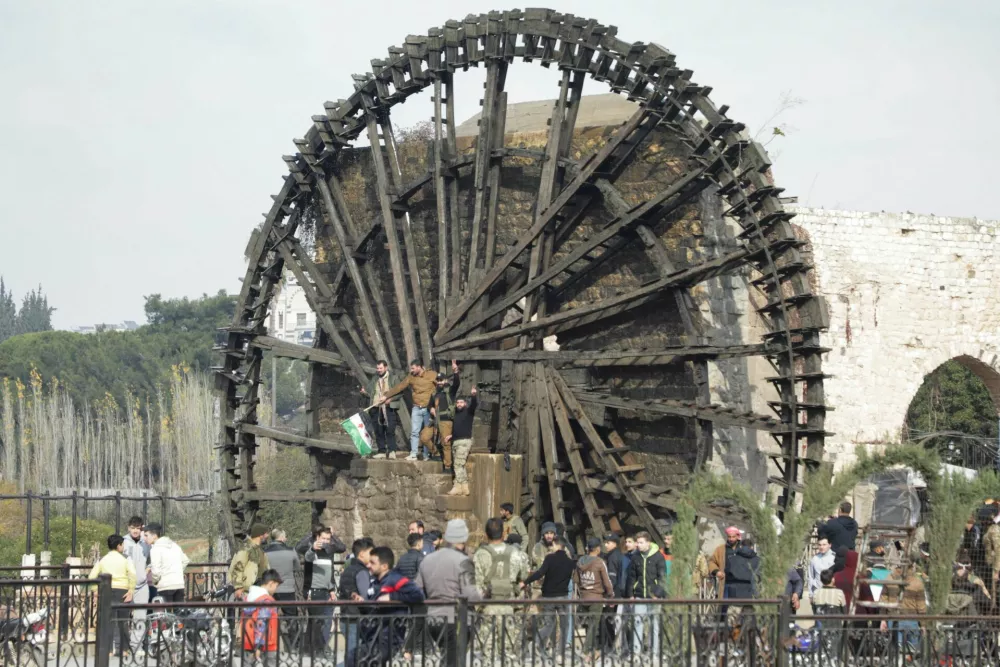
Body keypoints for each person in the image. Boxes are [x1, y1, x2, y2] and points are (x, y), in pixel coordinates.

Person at [416, 519, 482, 665]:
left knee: (447, 657)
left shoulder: (427, 560)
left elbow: (417, 588)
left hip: (433, 618)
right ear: (463, 538)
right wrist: (484, 594)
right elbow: (471, 595)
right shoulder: (463, 560)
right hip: (455, 618)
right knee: (455, 660)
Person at [473, 518, 530, 660]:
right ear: (504, 533)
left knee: (487, 655)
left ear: (486, 534)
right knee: (509, 653)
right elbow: (523, 575)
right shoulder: (517, 553)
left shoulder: (480, 554)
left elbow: (477, 583)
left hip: (488, 607)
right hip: (508, 606)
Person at [364, 546, 425, 665]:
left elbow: (418, 594)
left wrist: (392, 597)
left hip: (389, 635)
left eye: (372, 562)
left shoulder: (395, 579)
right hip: (374, 632)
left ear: (384, 566)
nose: (368, 565)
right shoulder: (375, 582)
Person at [522, 537, 576, 658]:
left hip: (548, 597)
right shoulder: (570, 562)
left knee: (549, 624)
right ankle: (560, 653)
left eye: (552, 545)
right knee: (564, 625)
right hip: (562, 597)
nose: (551, 547)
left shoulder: (550, 558)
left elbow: (540, 573)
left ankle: (536, 644)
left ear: (557, 545)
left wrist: (526, 582)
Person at [379, 359, 443, 461]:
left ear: (419, 367)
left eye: (413, 368)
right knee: (414, 432)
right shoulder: (411, 376)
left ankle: (426, 455)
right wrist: (386, 396)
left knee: (426, 434)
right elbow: (400, 387)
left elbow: (442, 385)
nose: (411, 370)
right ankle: (413, 453)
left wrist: (438, 405)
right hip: (416, 408)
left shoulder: (432, 374)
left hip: (428, 409)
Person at [90, 535, 137, 658]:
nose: (123, 547)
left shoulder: (103, 560)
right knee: (123, 621)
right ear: (119, 546)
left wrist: (95, 590)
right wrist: (131, 590)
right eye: (122, 544)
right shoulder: (125, 559)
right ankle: (124, 649)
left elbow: (91, 576)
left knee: (108, 621)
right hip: (123, 592)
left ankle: (108, 650)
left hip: (107, 591)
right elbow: (132, 574)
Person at [625, 531, 666, 657]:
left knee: (654, 625)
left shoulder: (658, 556)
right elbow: (631, 577)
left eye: (641, 542)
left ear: (648, 543)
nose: (638, 545)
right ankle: (636, 651)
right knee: (637, 623)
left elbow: (662, 577)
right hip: (639, 595)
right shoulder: (635, 557)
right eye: (637, 542)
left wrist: (657, 594)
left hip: (653, 596)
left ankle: (654, 652)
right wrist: (630, 594)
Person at [575, 537, 613, 662]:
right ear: (597, 548)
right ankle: (586, 652)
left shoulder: (580, 561)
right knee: (593, 625)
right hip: (596, 597)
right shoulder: (599, 562)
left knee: (589, 625)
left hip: (584, 597)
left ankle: (593, 650)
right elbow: (607, 582)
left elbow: (576, 579)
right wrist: (610, 595)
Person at [338, 538, 374, 667]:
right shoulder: (361, 571)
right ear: (362, 553)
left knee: (353, 655)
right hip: (356, 618)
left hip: (346, 616)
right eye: (371, 552)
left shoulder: (348, 569)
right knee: (354, 658)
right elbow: (366, 597)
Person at [263, 529, 302, 649]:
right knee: (291, 617)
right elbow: (297, 567)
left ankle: (266, 643)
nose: (286, 538)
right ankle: (293, 645)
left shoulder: (265, 552)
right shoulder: (291, 551)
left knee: (266, 616)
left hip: (270, 589)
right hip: (287, 589)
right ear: (281, 538)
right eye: (285, 536)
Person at [304, 526, 337, 654]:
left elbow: (328, 574)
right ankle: (316, 649)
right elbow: (307, 556)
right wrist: (313, 547)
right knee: (316, 621)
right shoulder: (314, 551)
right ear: (317, 537)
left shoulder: (328, 553)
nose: (325, 541)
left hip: (324, 591)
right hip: (315, 590)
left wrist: (331, 590)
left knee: (316, 621)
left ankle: (309, 648)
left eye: (328, 539)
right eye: (323, 538)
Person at [241, 569, 283, 667]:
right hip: (267, 643)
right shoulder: (267, 600)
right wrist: (259, 646)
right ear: (271, 583)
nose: (276, 589)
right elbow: (262, 624)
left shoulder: (249, 598)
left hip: (248, 640)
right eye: (276, 586)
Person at [361, 360, 402, 459]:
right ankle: (382, 451)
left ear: (386, 368)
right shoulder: (375, 379)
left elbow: (400, 392)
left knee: (390, 429)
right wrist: (364, 392)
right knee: (378, 430)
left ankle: (392, 451)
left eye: (381, 368)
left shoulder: (393, 378)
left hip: (388, 408)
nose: (379, 370)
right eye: (377, 368)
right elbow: (370, 393)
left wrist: (390, 399)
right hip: (375, 408)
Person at [424, 361, 460, 467]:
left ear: (446, 380)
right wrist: (431, 408)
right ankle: (437, 453)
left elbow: (457, 383)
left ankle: (448, 465)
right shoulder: (434, 393)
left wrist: (456, 371)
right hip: (435, 421)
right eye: (438, 380)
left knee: (446, 443)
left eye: (441, 380)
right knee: (424, 437)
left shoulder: (450, 391)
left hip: (446, 421)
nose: (439, 382)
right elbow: (429, 405)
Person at [122, 516, 150, 655]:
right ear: (128, 528)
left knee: (141, 617)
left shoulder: (146, 543)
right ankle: (122, 647)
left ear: (142, 528)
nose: (135, 531)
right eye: (132, 528)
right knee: (123, 617)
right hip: (126, 585)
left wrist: (147, 570)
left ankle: (136, 647)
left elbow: (152, 559)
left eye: (138, 528)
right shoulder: (123, 542)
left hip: (142, 585)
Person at [144, 522, 189, 603]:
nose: (144, 538)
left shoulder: (155, 549)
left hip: (165, 586)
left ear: (154, 536)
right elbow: (185, 560)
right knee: (178, 614)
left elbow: (156, 571)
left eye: (146, 535)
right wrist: (176, 572)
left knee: (165, 614)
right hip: (179, 584)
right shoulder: (174, 545)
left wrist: (155, 582)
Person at [446, 386, 478, 496]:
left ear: (465, 403)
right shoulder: (456, 414)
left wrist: (473, 396)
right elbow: (458, 427)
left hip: (464, 442)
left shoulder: (469, 412)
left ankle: (457, 486)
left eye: (461, 402)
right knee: (461, 465)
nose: (459, 404)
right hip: (455, 441)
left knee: (457, 465)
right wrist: (451, 435)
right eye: (458, 402)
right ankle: (464, 487)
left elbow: (474, 405)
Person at [229, 523, 270, 600]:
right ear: (260, 535)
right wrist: (238, 587)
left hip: (258, 587)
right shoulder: (246, 548)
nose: (267, 536)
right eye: (266, 533)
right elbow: (238, 567)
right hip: (247, 589)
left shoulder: (258, 549)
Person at [602, 534, 627, 653]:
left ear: (615, 544)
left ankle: (612, 646)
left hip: (613, 594)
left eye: (608, 542)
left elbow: (612, 577)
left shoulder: (612, 557)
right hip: (619, 593)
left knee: (610, 620)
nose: (605, 545)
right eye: (605, 542)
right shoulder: (619, 555)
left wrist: (610, 595)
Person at [708, 526, 742, 598]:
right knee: (724, 606)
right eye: (729, 537)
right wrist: (717, 572)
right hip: (726, 583)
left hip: (740, 584)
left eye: (733, 537)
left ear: (737, 537)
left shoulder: (743, 549)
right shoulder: (720, 549)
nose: (731, 539)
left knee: (739, 606)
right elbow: (712, 561)